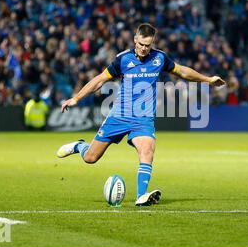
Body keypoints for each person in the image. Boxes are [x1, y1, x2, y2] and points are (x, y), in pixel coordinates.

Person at [56, 23, 225, 206]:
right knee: (91, 158)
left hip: (143, 118)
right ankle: (80, 146)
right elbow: (99, 80)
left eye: (148, 45)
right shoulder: (123, 59)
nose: (144, 49)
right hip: (119, 115)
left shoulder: (160, 58)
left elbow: (183, 71)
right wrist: (76, 98)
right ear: (135, 39)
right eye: (141, 44)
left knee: (147, 150)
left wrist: (208, 80)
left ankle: (141, 196)